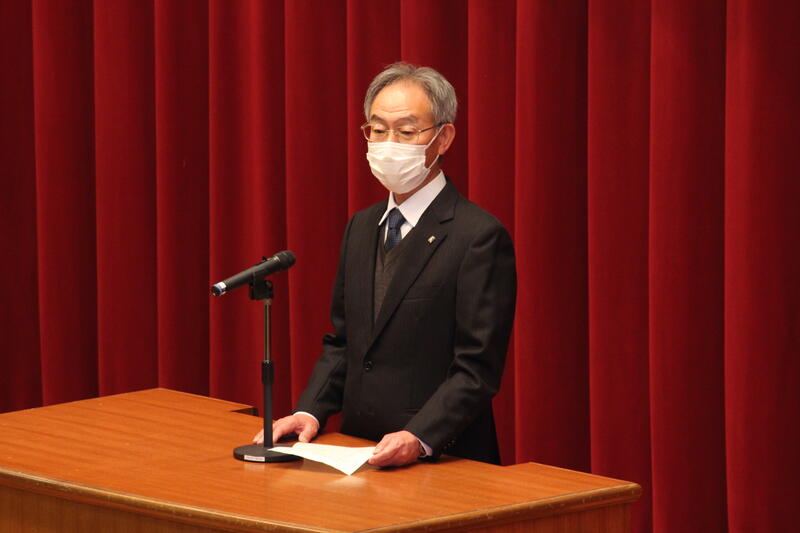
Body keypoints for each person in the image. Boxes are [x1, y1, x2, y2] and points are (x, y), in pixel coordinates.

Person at [254, 62, 516, 466]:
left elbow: (476, 368)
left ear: (444, 138)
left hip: (444, 459)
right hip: (357, 452)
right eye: (377, 130)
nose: (388, 143)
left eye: (406, 132)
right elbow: (344, 343)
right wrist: (310, 411)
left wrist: (419, 436)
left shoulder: (478, 236)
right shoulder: (362, 226)